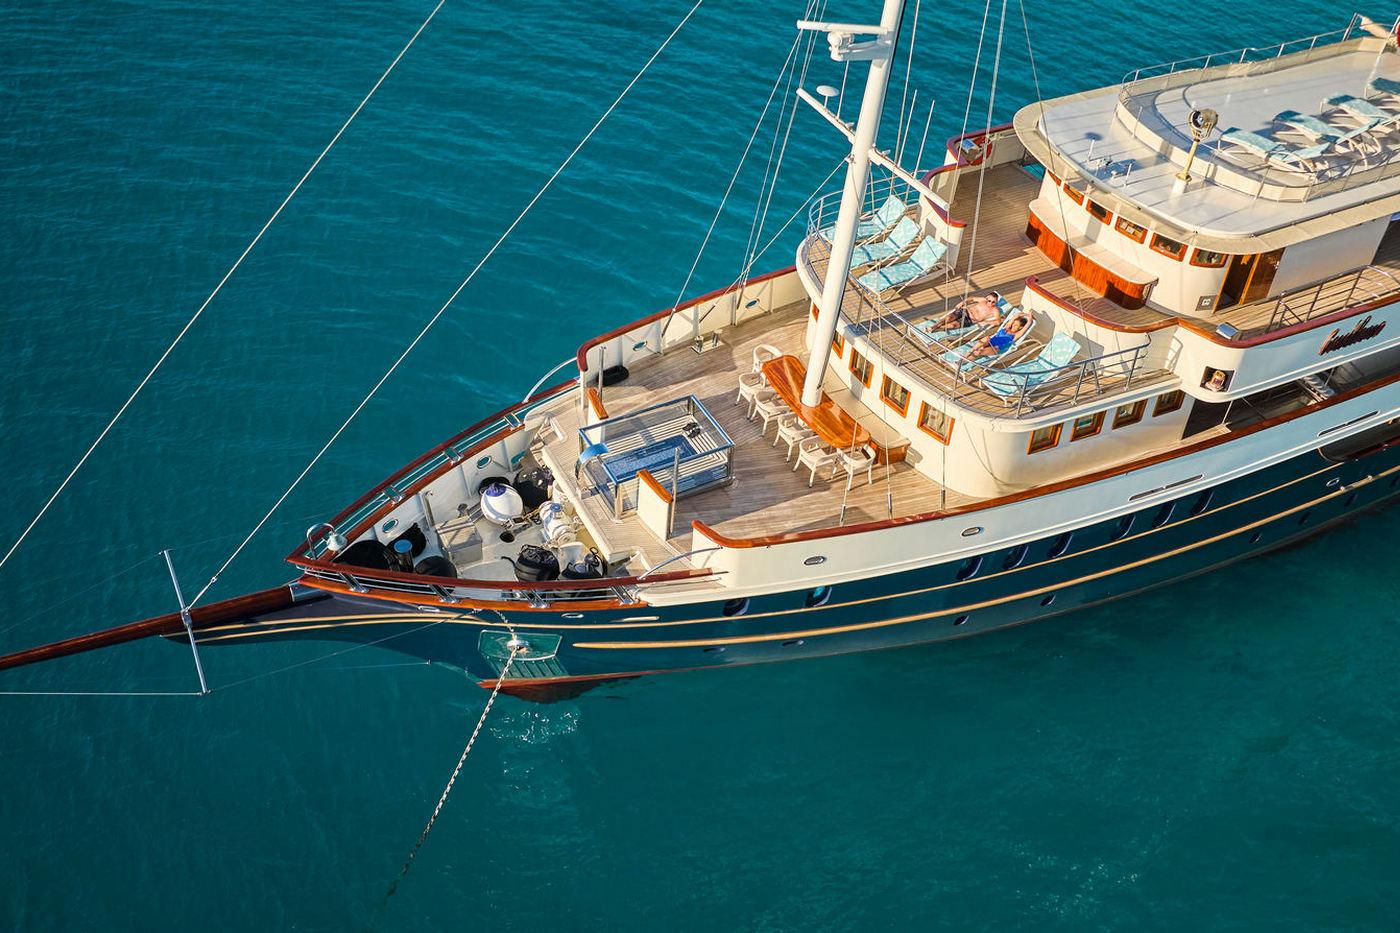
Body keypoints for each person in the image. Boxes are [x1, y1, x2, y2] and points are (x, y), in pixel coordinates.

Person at [966, 311, 1031, 358]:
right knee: (986, 338)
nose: (1013, 325)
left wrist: (1030, 318)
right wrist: (1022, 314)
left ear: (1021, 327)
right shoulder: (1006, 328)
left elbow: (1028, 324)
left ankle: (962, 362)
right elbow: (1014, 318)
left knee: (979, 351)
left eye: (1016, 325)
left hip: (996, 348)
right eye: (1013, 323)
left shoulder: (1016, 335)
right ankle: (967, 354)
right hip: (989, 342)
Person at [931, 292, 1002, 330]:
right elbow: (972, 299)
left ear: (996, 302)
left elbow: (998, 321)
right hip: (965, 311)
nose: (990, 303)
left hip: (970, 320)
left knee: (953, 325)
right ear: (987, 298)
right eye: (989, 300)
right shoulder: (983, 300)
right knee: (949, 317)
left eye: (993, 302)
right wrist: (962, 302)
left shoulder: (995, 310)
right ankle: (935, 325)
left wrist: (986, 322)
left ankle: (937, 328)